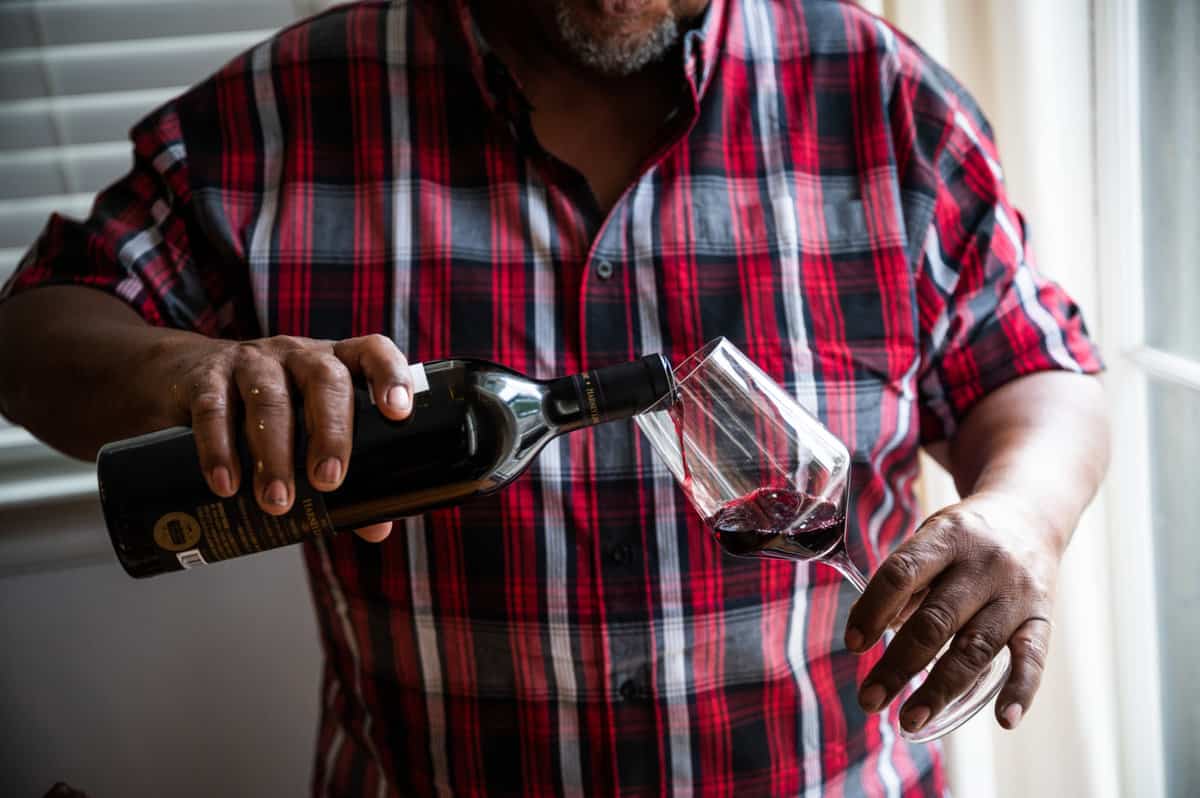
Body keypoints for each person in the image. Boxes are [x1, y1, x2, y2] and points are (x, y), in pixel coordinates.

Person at [0, 0, 1109, 795]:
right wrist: (186, 375)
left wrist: (1023, 514)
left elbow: (1033, 365)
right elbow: (34, 328)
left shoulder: (886, 97)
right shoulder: (278, 111)